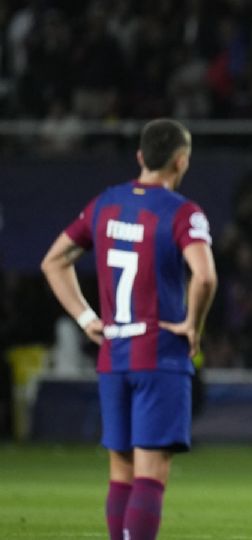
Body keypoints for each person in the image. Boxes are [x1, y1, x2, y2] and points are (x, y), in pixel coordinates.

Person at [40, 119, 218, 540]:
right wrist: (194, 323)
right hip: (159, 352)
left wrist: (86, 319)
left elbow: (53, 261)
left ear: (140, 157)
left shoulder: (105, 203)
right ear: (181, 160)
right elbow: (205, 276)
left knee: (120, 472)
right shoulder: (181, 212)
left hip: (113, 353)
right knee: (151, 472)